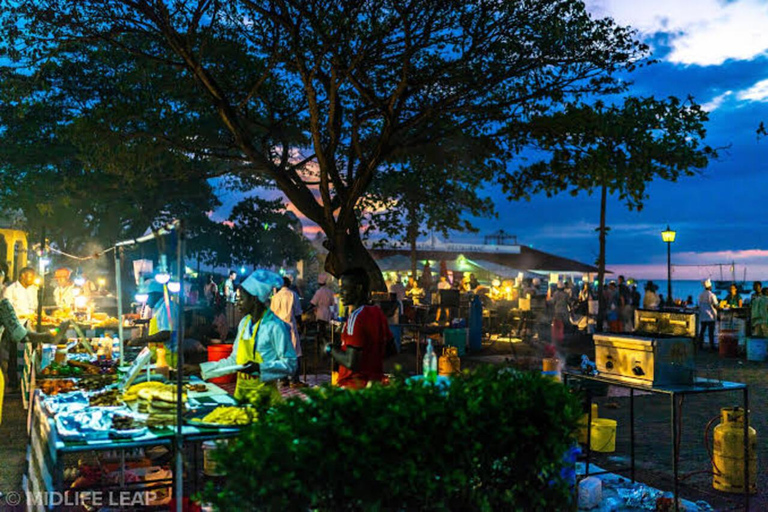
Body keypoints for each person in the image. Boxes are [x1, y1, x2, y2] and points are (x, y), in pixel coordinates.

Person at [190, 269, 297, 401]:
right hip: (241, 396)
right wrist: (200, 369)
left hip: (265, 400)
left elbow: (291, 364)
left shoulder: (275, 326)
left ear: (254, 299)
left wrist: (260, 368)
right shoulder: (244, 324)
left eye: (241, 299)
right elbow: (234, 361)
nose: (237, 302)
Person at [326, 267, 393, 390]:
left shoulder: (356, 317)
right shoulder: (377, 313)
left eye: (344, 288)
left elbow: (351, 362)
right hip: (374, 385)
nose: (340, 293)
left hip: (352, 387)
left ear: (358, 289)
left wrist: (330, 349)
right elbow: (390, 351)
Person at [271, 276, 303, 382]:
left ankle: (283, 379)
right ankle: (294, 379)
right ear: (289, 284)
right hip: (290, 326)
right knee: (295, 352)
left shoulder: (275, 297)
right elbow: (298, 313)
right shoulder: (293, 295)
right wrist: (301, 325)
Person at [698, 279, 718, 350]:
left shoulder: (701, 295)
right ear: (710, 287)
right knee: (711, 332)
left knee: (702, 331)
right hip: (710, 316)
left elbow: (699, 304)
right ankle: (712, 346)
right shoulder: (712, 295)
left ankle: (700, 345)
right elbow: (715, 305)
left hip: (703, 315)